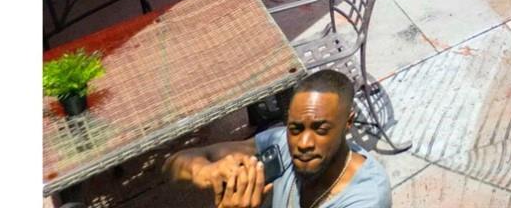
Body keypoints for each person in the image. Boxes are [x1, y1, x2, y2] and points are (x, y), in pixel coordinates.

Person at [165, 70, 392, 208]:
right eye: (295, 128)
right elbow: (172, 165)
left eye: (320, 129)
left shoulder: (367, 197)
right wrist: (208, 172)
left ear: (348, 122)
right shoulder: (281, 142)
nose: (303, 143)